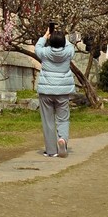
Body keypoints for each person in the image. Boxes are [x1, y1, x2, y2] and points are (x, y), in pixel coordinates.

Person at [35, 25, 75, 158]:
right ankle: (62, 139)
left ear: (50, 42)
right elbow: (69, 45)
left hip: (46, 91)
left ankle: (51, 150)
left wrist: (45, 36)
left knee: (48, 121)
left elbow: (37, 47)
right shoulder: (68, 52)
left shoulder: (45, 52)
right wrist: (62, 37)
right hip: (62, 92)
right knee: (63, 119)